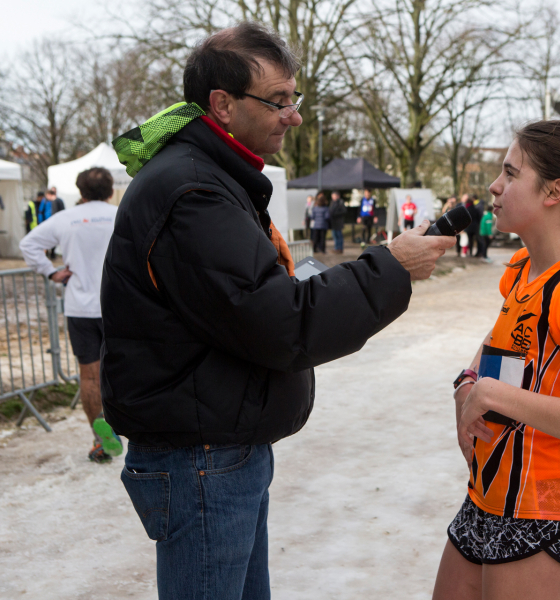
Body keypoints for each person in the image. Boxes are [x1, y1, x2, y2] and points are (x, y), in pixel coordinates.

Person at [102, 23, 454, 600]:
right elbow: (282, 322)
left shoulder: (210, 178)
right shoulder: (196, 193)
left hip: (217, 447)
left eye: (296, 99)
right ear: (222, 105)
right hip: (202, 458)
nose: (293, 115)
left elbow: (260, 300)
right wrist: (388, 267)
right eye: (279, 101)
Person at [432, 120, 560, 600]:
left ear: (554, 192)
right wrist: (466, 386)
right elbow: (490, 352)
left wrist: (497, 394)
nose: (494, 186)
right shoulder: (524, 269)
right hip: (487, 495)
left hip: (544, 508)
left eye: (510, 173)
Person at [19, 168, 121, 463]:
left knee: (90, 376)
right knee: (132, 368)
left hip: (80, 307)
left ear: (80, 192)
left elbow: (28, 244)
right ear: (111, 191)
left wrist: (51, 272)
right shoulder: (122, 214)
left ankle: (101, 440)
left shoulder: (66, 218)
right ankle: (143, 433)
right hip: (120, 305)